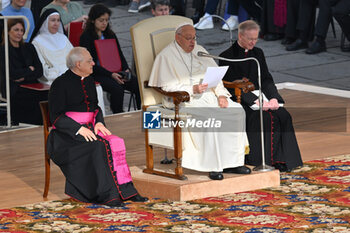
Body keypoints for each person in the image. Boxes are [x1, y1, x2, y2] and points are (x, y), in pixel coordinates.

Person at [148, 23, 250, 180]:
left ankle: (233, 162)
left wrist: (221, 95)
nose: (192, 42)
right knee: (211, 117)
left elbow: (215, 76)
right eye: (189, 38)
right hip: (182, 101)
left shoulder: (200, 51)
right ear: (178, 37)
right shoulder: (166, 56)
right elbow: (166, 86)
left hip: (208, 97)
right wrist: (192, 89)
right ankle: (213, 165)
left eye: (194, 38)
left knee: (236, 110)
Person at [48, 47, 148, 206]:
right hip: (66, 136)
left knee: (116, 142)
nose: (94, 63)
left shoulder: (88, 79)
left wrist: (99, 121)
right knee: (99, 146)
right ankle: (108, 195)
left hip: (90, 128)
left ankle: (127, 191)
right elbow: (55, 116)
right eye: (90, 61)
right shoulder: (60, 84)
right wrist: (78, 128)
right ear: (78, 64)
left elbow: (96, 108)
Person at [219, 20, 303, 172]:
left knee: (283, 115)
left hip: (262, 98)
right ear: (240, 36)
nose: (253, 42)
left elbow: (265, 79)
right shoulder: (226, 56)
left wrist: (273, 98)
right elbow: (228, 86)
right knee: (263, 118)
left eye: (255, 39)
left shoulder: (258, 53)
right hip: (242, 100)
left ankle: (282, 160)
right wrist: (254, 101)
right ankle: (260, 160)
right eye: (250, 39)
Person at [80, 4, 141, 114]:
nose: (104, 23)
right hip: (97, 72)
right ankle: (118, 114)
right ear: (93, 20)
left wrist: (126, 69)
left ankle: (141, 111)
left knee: (136, 84)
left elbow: (119, 54)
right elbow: (89, 62)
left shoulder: (110, 34)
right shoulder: (86, 37)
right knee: (117, 88)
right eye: (101, 20)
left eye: (107, 20)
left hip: (115, 69)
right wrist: (111, 74)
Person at [0, 18, 47, 125]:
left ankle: (43, 123)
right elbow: (11, 73)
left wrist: (23, 75)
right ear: (8, 31)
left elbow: (40, 71)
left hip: (32, 83)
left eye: (22, 30)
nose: (19, 33)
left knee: (47, 94)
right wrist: (29, 69)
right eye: (16, 30)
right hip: (14, 86)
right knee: (29, 96)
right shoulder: (3, 50)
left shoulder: (29, 47)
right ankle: (28, 122)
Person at [30, 9, 73, 85]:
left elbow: (74, 58)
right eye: (53, 20)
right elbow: (42, 66)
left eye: (58, 20)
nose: (56, 24)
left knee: (96, 87)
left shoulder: (63, 38)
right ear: (45, 22)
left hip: (71, 73)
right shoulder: (37, 42)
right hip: (53, 78)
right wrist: (58, 74)